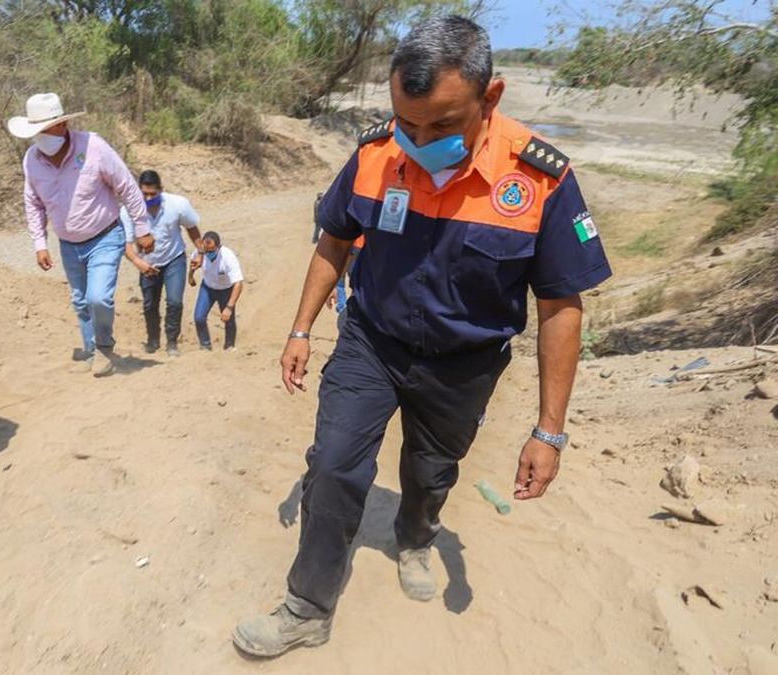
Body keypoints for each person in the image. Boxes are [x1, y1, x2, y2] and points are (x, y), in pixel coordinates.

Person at [232, 15, 612, 657]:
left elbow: (560, 306)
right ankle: (307, 609)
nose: (420, 141)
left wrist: (549, 431)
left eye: (442, 126)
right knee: (333, 464)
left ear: (490, 97)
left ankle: (415, 539)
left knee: (431, 472)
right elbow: (335, 240)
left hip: (464, 366)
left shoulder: (540, 179)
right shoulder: (377, 154)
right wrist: (300, 328)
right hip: (372, 343)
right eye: (407, 124)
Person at [8, 93, 155, 377]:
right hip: (68, 245)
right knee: (81, 301)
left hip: (105, 236)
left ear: (62, 125)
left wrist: (142, 228)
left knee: (98, 298)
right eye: (36, 131)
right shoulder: (32, 160)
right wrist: (40, 243)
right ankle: (91, 352)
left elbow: (126, 186)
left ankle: (104, 348)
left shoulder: (93, 146)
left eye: (45, 130)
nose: (40, 137)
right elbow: (33, 202)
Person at [121, 170, 202, 356]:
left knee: (175, 301)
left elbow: (192, 228)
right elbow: (125, 244)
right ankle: (153, 340)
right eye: (145, 194)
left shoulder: (178, 204)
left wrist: (201, 251)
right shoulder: (127, 211)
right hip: (147, 264)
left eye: (153, 194)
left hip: (174, 259)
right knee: (150, 305)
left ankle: (172, 342)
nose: (149, 198)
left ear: (161, 190)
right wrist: (138, 263)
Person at [188, 232, 244, 351]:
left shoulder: (228, 257)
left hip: (226, 289)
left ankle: (229, 345)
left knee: (228, 318)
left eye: (212, 251)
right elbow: (193, 263)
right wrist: (190, 276)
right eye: (206, 250)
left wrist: (229, 307)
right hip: (208, 288)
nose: (208, 253)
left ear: (219, 247)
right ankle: (205, 345)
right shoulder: (200, 252)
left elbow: (238, 283)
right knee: (199, 317)